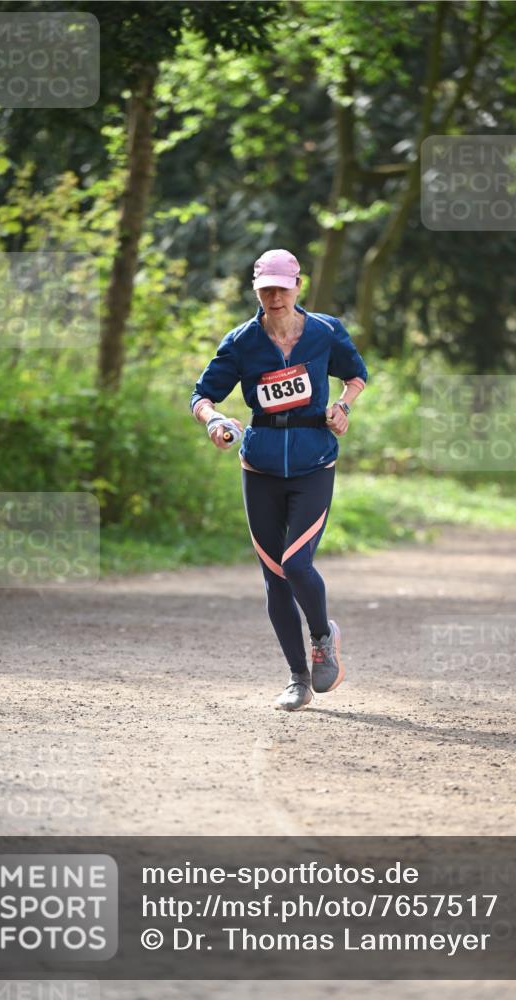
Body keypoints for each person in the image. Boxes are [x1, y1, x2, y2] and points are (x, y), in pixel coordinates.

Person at [190, 249, 368, 709]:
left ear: (297, 287)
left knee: (295, 563)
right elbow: (203, 395)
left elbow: (356, 374)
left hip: (314, 462)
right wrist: (214, 420)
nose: (273, 297)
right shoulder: (242, 341)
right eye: (265, 289)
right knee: (274, 577)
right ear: (256, 291)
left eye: (281, 289)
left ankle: (324, 638)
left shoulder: (326, 331)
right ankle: (297, 678)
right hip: (261, 466)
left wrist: (343, 406)